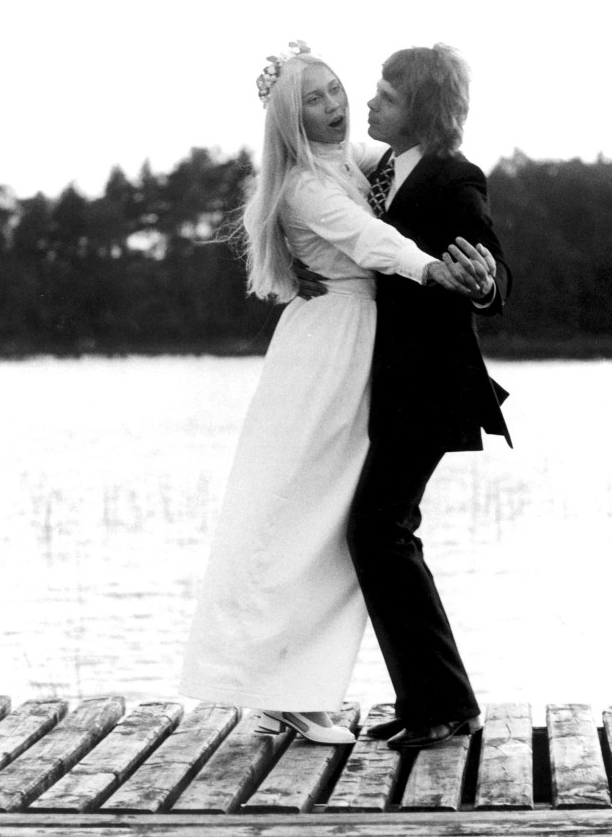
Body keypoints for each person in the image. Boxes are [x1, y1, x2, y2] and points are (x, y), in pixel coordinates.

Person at [179, 41, 482, 745]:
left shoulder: (348, 163)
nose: (336, 104)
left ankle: (307, 686)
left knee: (339, 526)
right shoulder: (303, 186)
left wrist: (477, 264)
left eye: (336, 89)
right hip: (325, 356)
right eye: (313, 99)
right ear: (288, 118)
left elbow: (418, 162)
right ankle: (278, 687)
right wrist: (435, 271)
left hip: (357, 350)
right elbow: (370, 239)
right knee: (294, 514)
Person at [342, 43, 513, 749]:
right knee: (381, 531)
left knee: (378, 530)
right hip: (391, 387)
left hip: (430, 387)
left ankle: (444, 705)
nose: (372, 102)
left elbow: (492, 265)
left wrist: (484, 284)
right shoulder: (383, 169)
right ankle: (429, 702)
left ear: (423, 109)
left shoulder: (450, 176)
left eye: (386, 94)